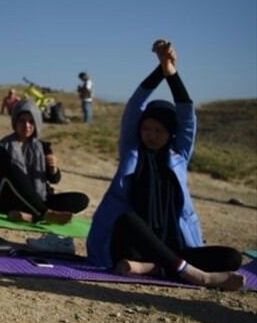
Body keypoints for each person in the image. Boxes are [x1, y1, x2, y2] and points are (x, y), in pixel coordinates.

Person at [86, 40, 243, 290]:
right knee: (127, 220)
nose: (151, 135)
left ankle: (154, 267)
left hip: (171, 246)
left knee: (231, 258)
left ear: (171, 134)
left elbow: (187, 116)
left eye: (159, 130)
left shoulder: (179, 155)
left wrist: (171, 73)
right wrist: (161, 69)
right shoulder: (132, 150)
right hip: (131, 244)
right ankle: (193, 274)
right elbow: (134, 106)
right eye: (147, 128)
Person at [0, 99, 89, 224]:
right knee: (13, 168)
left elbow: (54, 179)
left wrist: (53, 168)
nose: (27, 125)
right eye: (22, 121)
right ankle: (45, 214)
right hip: (11, 200)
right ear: (15, 122)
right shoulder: (3, 147)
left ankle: (32, 217)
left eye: (31, 121)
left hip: (39, 198)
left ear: (37, 124)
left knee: (82, 200)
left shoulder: (43, 147)